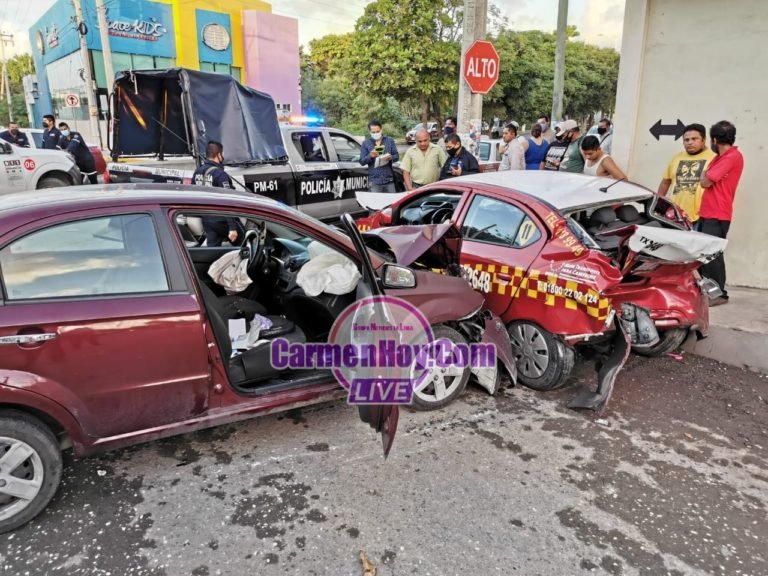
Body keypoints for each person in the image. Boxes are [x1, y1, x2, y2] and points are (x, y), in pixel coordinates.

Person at [698, 121, 744, 306]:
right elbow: (705, 179)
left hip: (718, 214)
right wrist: (706, 176)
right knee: (705, 255)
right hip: (709, 212)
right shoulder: (719, 158)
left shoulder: (732, 157)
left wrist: (706, 176)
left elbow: (705, 181)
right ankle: (708, 291)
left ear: (714, 139)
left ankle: (719, 295)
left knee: (713, 255)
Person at [657, 123, 716, 224]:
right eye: (686, 140)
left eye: (694, 139)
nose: (690, 142)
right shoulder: (676, 158)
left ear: (703, 140)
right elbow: (665, 182)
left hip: (701, 217)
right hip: (676, 215)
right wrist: (657, 206)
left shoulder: (714, 158)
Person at [192, 141, 243, 247]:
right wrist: (232, 227)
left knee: (213, 253)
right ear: (218, 155)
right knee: (247, 245)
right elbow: (227, 201)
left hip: (207, 221)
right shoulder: (220, 175)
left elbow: (193, 195)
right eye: (222, 154)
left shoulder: (198, 172)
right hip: (222, 220)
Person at [359, 120, 399, 192]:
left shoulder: (389, 141)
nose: (376, 133)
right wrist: (370, 156)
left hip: (389, 179)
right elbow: (362, 161)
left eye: (377, 131)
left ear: (381, 130)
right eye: (373, 132)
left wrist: (391, 157)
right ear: (370, 132)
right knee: (375, 203)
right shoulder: (366, 143)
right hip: (375, 181)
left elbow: (396, 156)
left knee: (392, 202)